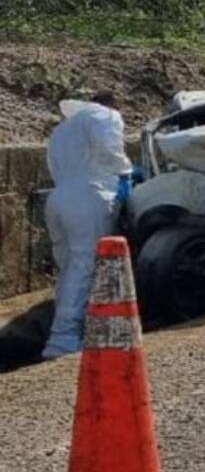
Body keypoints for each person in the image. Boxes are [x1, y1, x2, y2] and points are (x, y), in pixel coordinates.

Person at [42, 92, 132, 359]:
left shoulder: (62, 129)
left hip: (58, 198)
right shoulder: (105, 115)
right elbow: (109, 148)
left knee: (69, 267)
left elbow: (54, 166)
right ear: (113, 105)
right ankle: (64, 339)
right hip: (88, 195)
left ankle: (64, 330)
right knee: (85, 265)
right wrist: (126, 172)